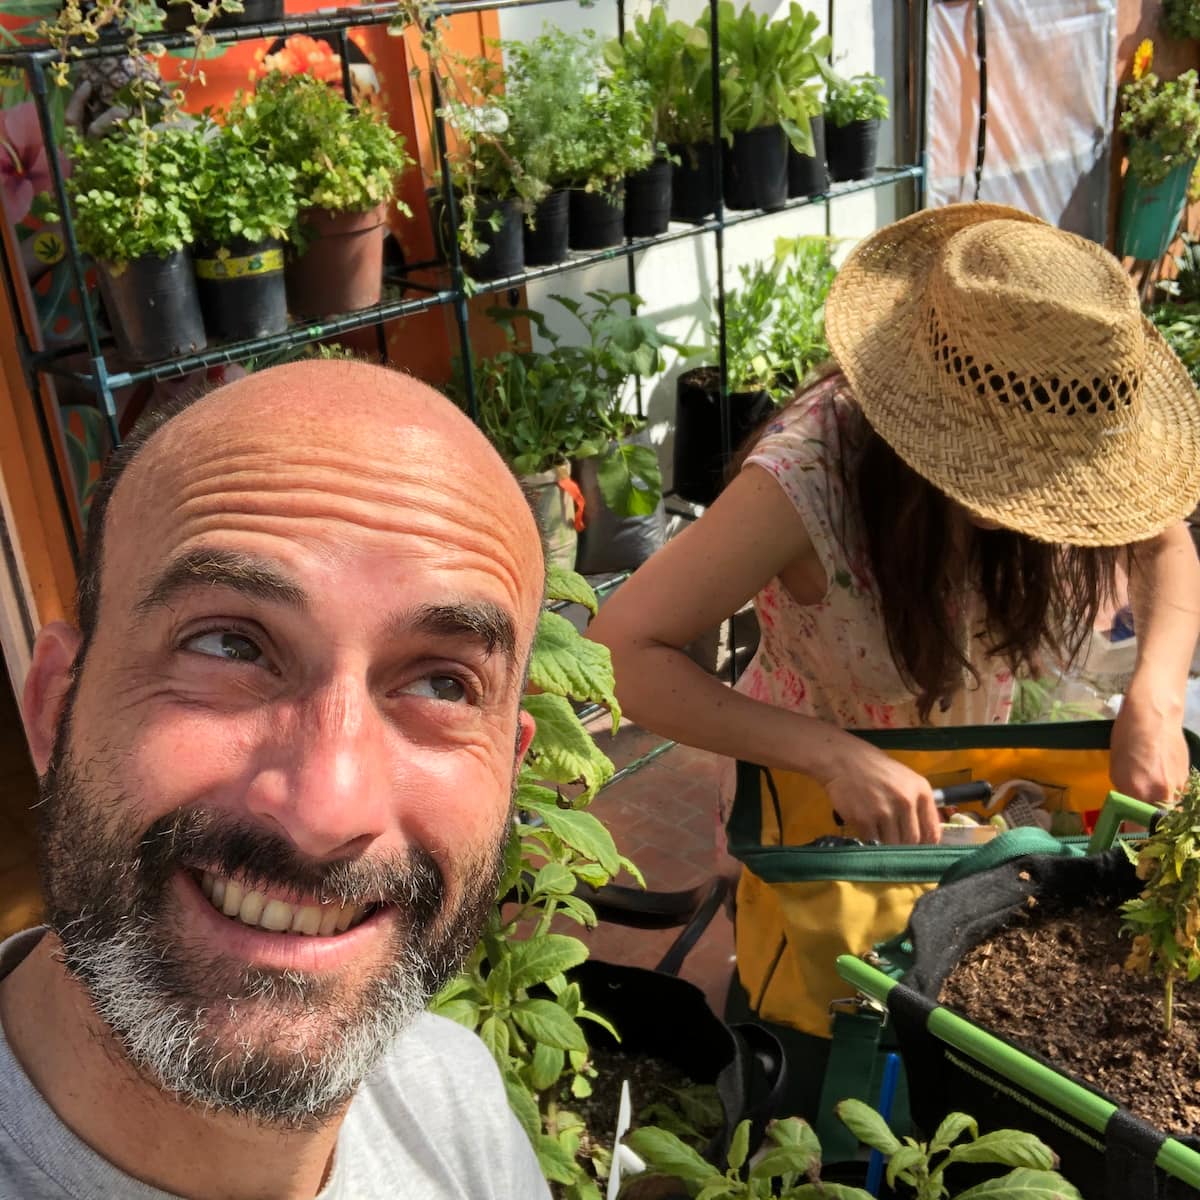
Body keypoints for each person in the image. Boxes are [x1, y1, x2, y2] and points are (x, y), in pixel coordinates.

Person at [3, 360, 552, 1199]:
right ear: (54, 710)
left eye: (444, 685)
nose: (327, 811)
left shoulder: (454, 1094)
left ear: (510, 772)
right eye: (228, 646)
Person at [589, 203, 1200, 849]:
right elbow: (620, 653)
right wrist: (833, 756)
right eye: (1018, 473)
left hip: (961, 790)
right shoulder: (809, 478)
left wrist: (1156, 699)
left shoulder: (1075, 405)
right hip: (809, 806)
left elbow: (1163, 542)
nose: (1038, 501)